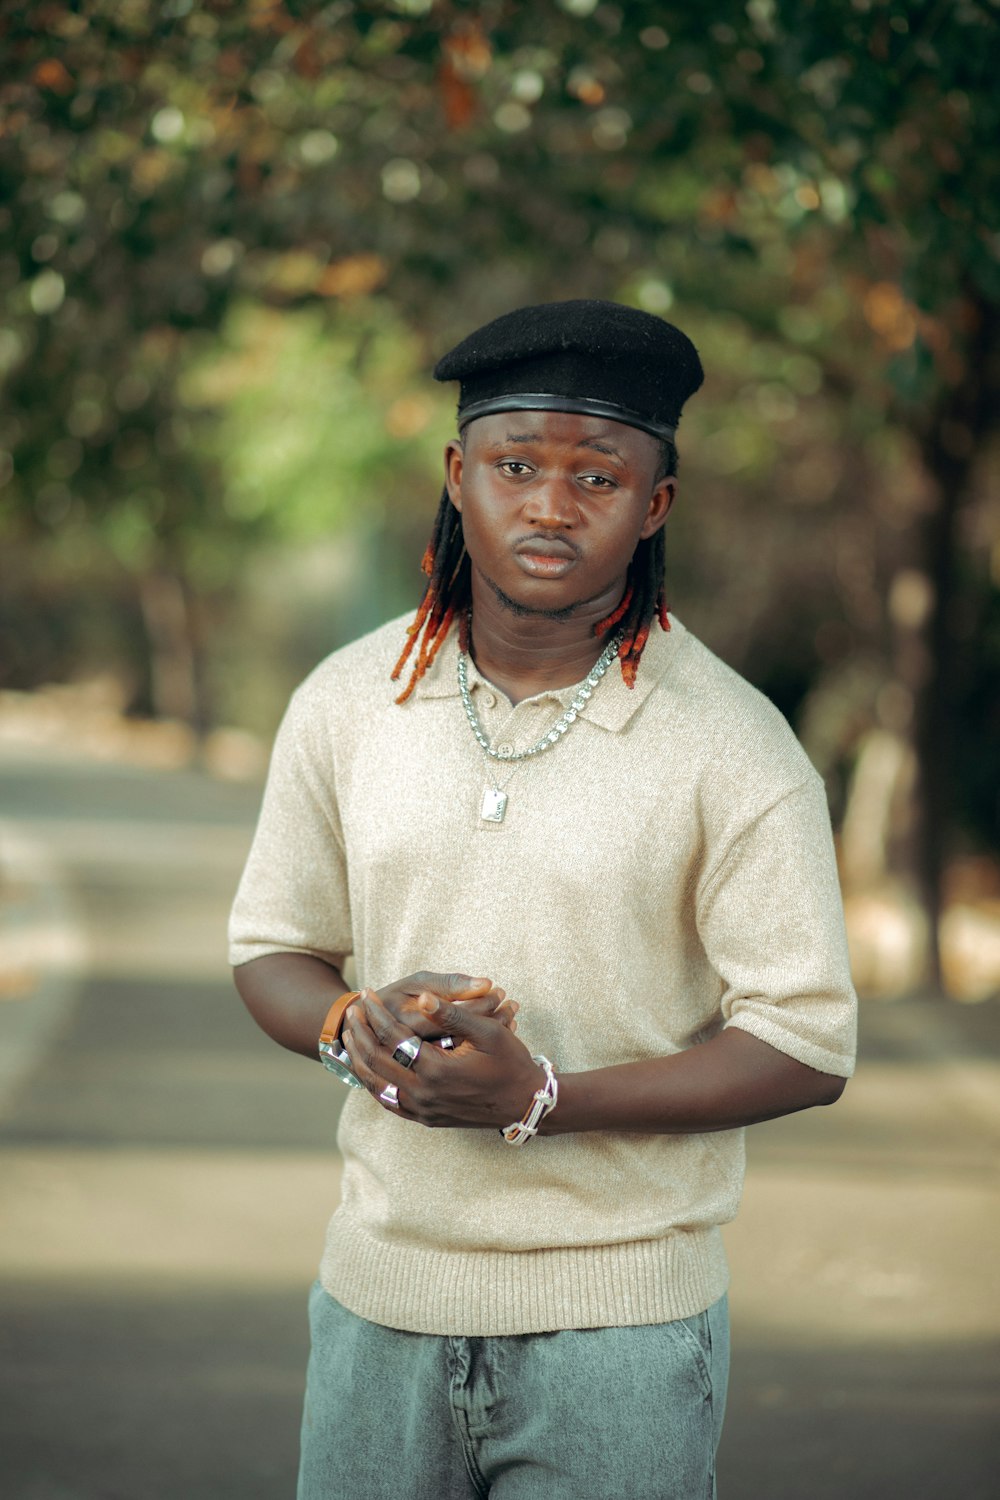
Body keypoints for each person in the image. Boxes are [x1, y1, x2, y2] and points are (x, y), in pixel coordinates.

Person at [229, 299, 857, 1500]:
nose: (551, 507)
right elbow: (273, 947)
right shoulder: (349, 700)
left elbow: (807, 1040)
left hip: (620, 1335)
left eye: (597, 476)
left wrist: (543, 1097)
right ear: (457, 476)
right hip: (376, 1305)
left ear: (653, 504)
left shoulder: (732, 745)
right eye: (516, 465)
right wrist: (346, 1021)